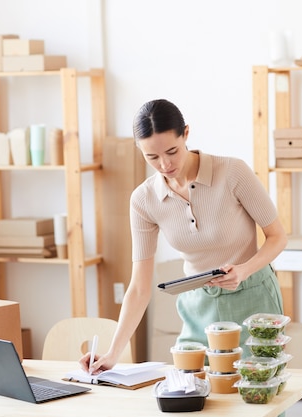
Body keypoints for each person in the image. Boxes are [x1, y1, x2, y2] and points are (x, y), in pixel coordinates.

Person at [80, 98, 287, 374]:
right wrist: (113, 352)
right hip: (197, 306)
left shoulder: (232, 172)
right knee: (193, 393)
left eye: (172, 151)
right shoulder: (144, 200)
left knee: (260, 391)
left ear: (186, 134)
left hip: (254, 297)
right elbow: (140, 286)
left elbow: (277, 236)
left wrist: (244, 270)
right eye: (151, 157)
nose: (164, 164)